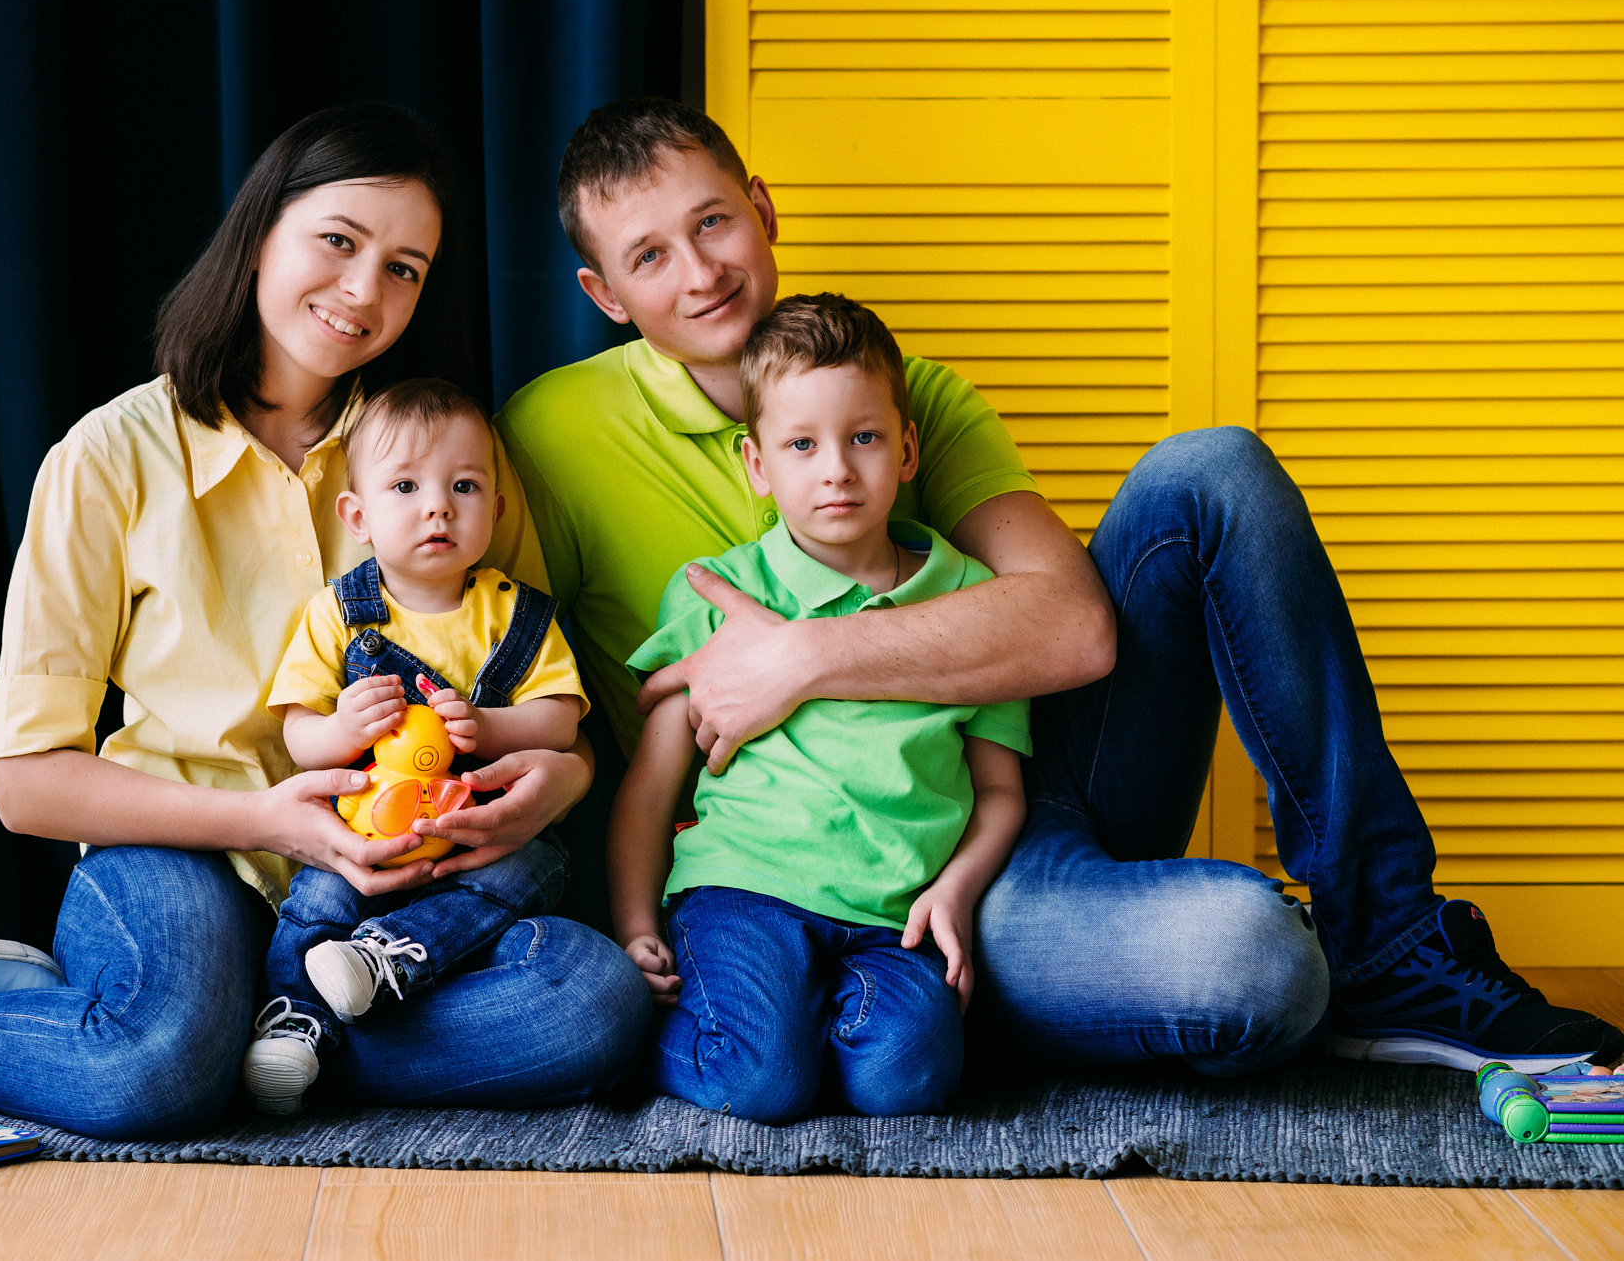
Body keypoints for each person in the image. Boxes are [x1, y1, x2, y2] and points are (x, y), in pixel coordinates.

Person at [500, 96, 1623, 1077]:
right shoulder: (553, 435)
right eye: (650, 255)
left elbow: (1078, 627)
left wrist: (800, 657)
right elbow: (496, 650)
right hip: (774, 871)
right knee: (1254, 961)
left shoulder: (905, 392)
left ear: (763, 208)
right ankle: (1003, 1003)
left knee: (1212, 472)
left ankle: (1386, 945)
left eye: (713, 222)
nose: (700, 271)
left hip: (996, 829)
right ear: (603, 292)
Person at [0, 103, 650, 1138]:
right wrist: (267, 821)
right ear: (259, 235)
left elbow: (543, 710)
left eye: (404, 268)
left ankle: (166, 1027)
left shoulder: (446, 463)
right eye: (338, 241)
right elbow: (28, 782)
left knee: (593, 1004)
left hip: (390, 896)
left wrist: (548, 787)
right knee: (155, 1072)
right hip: (180, 857)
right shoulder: (106, 459)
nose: (362, 290)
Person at [610, 294, 1028, 1123]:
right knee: (758, 1082)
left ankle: (795, 1039)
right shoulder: (716, 594)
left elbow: (1001, 791)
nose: (835, 468)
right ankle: (655, 1040)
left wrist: (955, 890)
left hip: (891, 917)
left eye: (863, 438)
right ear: (758, 466)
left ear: (907, 448)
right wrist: (632, 923)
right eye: (802, 445)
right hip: (743, 891)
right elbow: (652, 788)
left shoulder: (972, 601)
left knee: (904, 1077)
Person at [246, 377, 589, 1114]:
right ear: (358, 515)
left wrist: (491, 729)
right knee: (316, 897)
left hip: (482, 837)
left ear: (495, 510)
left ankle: (390, 957)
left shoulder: (514, 613)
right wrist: (342, 730)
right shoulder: (339, 612)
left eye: (463, 486)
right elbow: (298, 732)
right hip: (371, 830)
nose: (438, 506)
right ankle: (292, 1022)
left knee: (539, 868)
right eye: (406, 486)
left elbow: (561, 718)